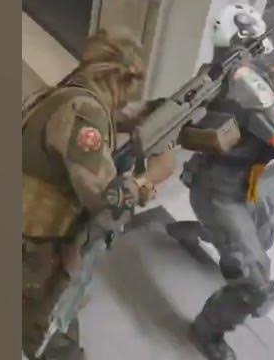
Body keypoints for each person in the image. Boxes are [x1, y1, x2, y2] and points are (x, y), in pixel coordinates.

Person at [22, 30, 176, 360]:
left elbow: (113, 115)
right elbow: (110, 204)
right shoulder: (83, 115)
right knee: (50, 333)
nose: (129, 97)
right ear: (122, 80)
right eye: (131, 89)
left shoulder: (70, 91)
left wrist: (148, 114)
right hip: (35, 251)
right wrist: (152, 176)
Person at [167, 4, 274, 360]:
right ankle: (207, 331)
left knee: (263, 236)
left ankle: (200, 232)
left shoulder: (231, 70)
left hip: (241, 184)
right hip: (219, 192)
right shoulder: (242, 79)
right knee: (255, 283)